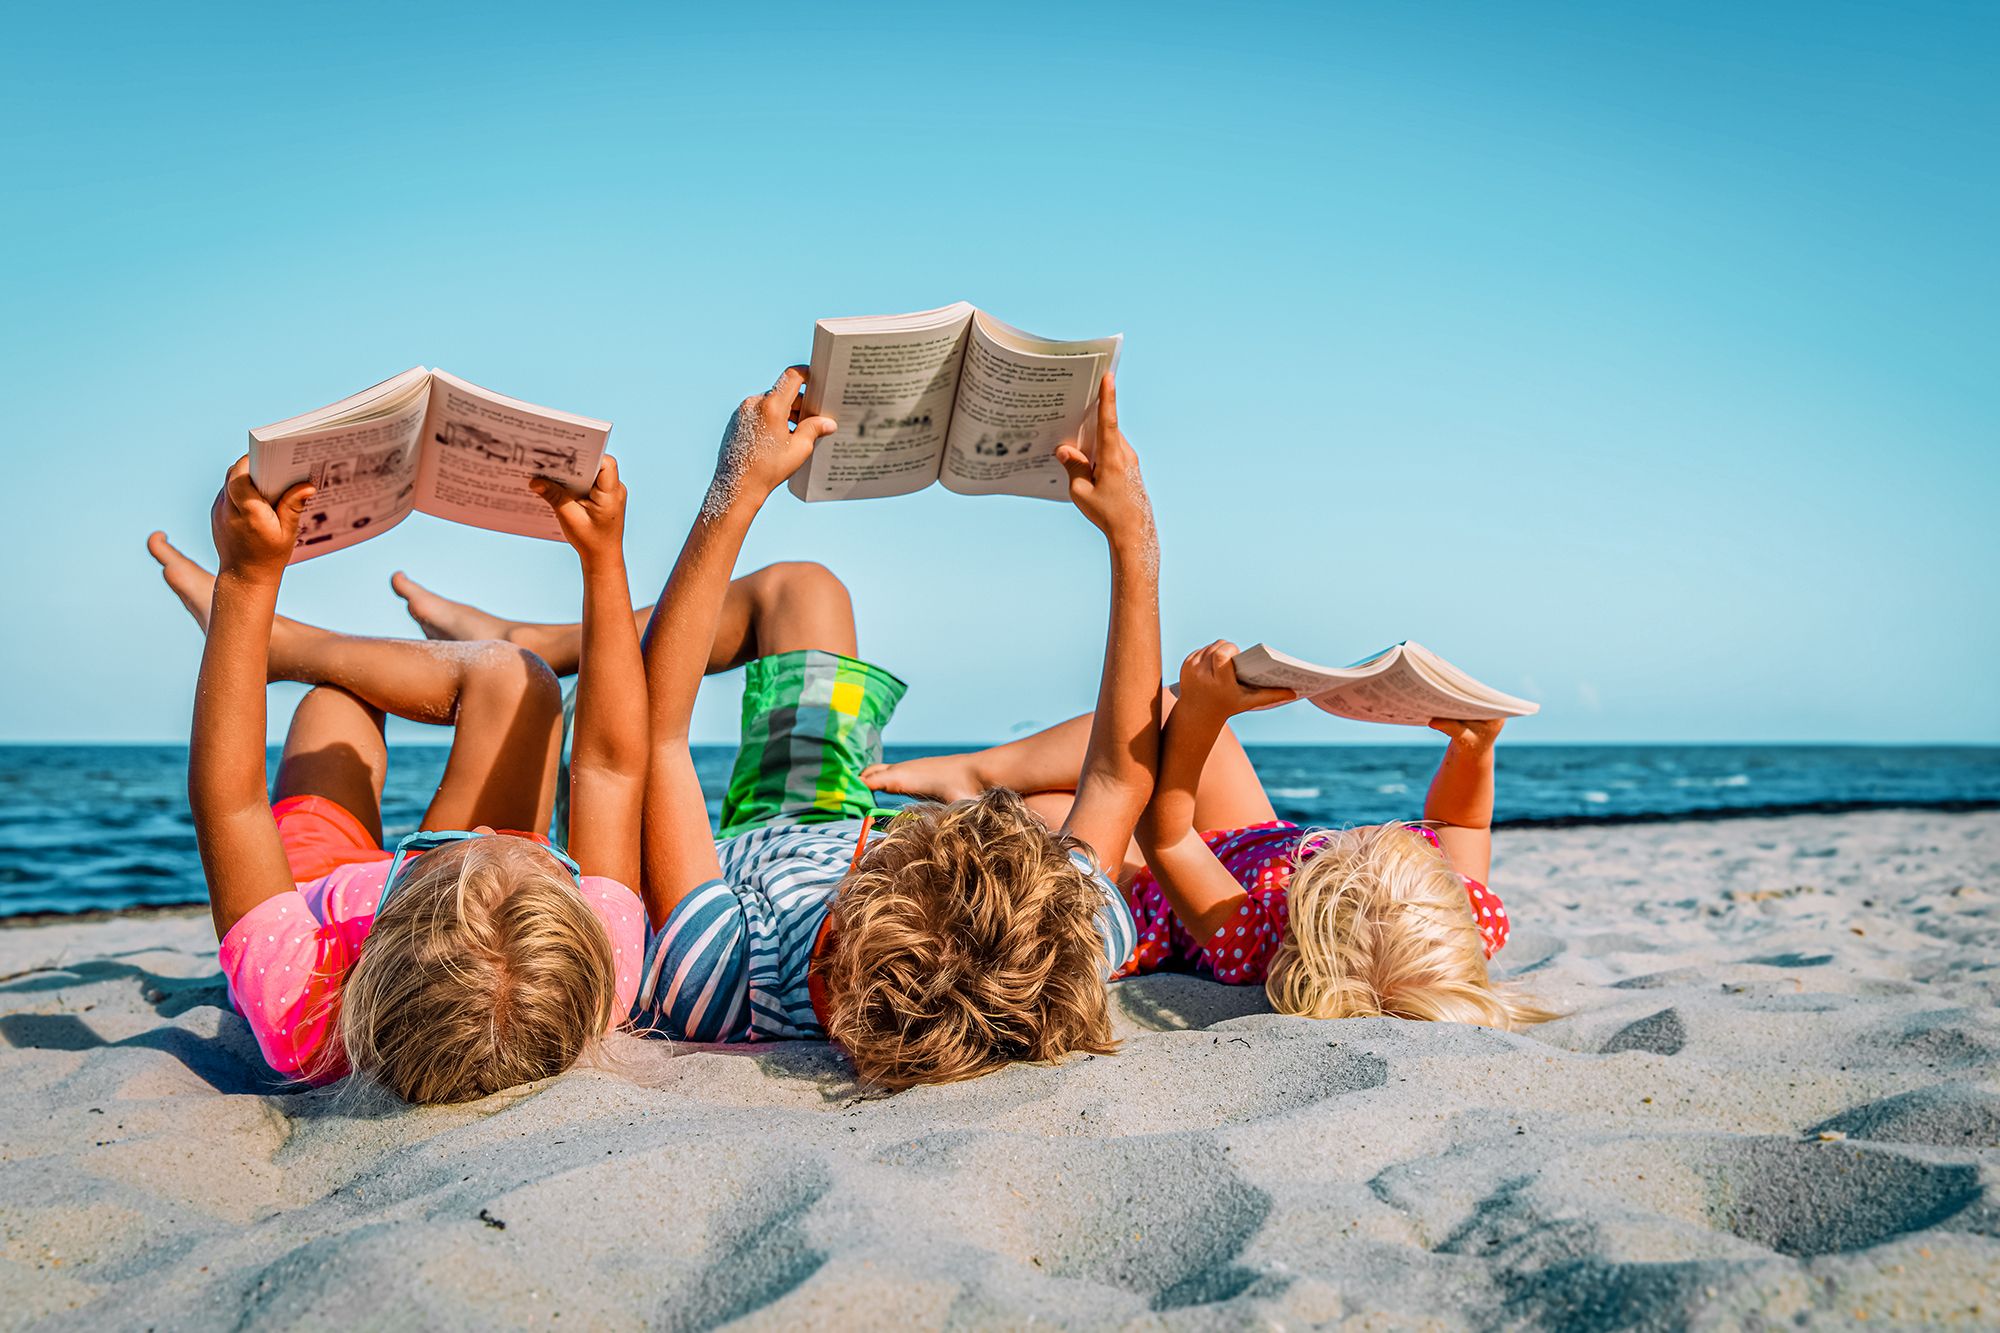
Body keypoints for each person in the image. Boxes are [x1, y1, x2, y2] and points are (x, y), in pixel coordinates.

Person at [403, 367, 1159, 1088]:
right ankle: (535, 635)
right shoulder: (1059, 949)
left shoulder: (722, 975)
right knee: (810, 592)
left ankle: (537, 646)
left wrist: (735, 491)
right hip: (827, 808)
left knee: (749, 619)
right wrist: (1132, 536)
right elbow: (1121, 774)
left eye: (891, 837)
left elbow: (658, 732)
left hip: (684, 848)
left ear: (865, 867)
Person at [149, 454, 648, 1102]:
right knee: (520, 678)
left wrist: (244, 583)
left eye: (443, 849)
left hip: (318, 882)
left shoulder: (302, 1003)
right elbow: (610, 768)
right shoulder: (593, 970)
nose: (491, 833)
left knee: (337, 706)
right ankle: (285, 646)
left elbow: (230, 805)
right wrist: (603, 560)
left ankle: (276, 645)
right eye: (543, 858)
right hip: (466, 916)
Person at [866, 640, 1554, 1030]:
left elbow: (1166, 836)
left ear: (1300, 915)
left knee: (1046, 821)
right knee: (1165, 720)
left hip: (1154, 892)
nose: (1369, 832)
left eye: (1340, 857)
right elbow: (1463, 823)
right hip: (1246, 838)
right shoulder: (1465, 917)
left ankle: (969, 794)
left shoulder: (1252, 933)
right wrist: (1474, 749)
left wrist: (1200, 713)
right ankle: (976, 769)